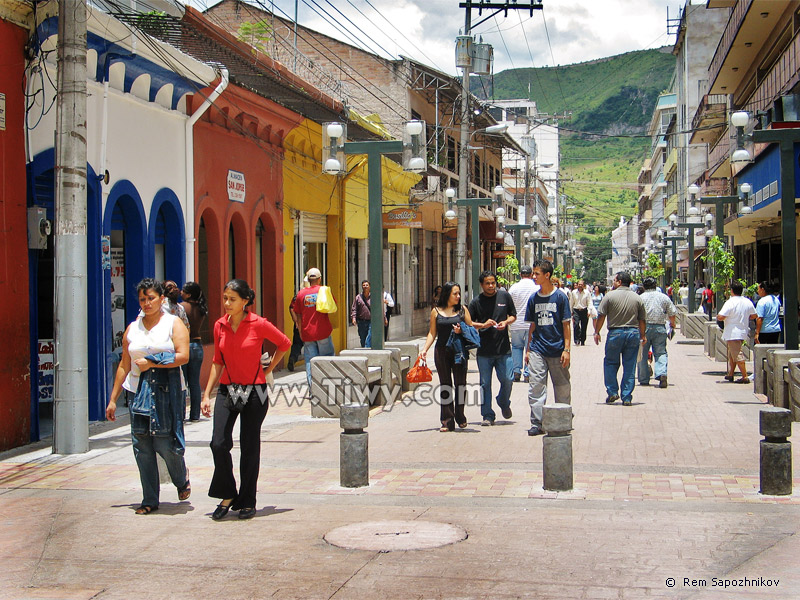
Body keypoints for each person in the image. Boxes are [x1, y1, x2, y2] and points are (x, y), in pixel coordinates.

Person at [201, 279, 291, 521]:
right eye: (225, 298)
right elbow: (217, 362)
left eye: (232, 299)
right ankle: (228, 494)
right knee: (218, 443)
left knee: (250, 448)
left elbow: (285, 343)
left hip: (255, 391)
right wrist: (206, 394)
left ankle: (248, 501)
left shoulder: (258, 324)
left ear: (245, 301)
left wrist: (269, 367)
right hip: (227, 390)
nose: (227, 303)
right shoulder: (220, 325)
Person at [106, 279, 191, 515]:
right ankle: (150, 499)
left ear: (161, 299)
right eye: (142, 299)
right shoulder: (133, 328)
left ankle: (181, 477)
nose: (146, 303)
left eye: (151, 298)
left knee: (166, 443)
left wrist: (153, 361)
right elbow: (125, 364)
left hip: (167, 390)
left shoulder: (173, 324)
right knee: (141, 446)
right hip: (138, 393)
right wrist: (113, 399)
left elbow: (183, 356)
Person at [419, 282, 475, 432]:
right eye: (455, 294)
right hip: (442, 351)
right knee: (445, 385)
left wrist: (461, 331)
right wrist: (424, 349)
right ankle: (447, 421)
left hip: (459, 352)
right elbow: (432, 332)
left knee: (460, 384)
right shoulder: (436, 311)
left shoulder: (463, 310)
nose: (458, 296)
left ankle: (460, 416)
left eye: (459, 293)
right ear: (447, 295)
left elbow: (471, 329)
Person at [525, 259, 571, 436]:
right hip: (538, 348)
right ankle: (538, 422)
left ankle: (562, 419)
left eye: (537, 274)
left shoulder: (560, 297)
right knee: (536, 386)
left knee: (562, 386)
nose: (534, 277)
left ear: (547, 275)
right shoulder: (533, 298)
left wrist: (567, 350)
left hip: (557, 349)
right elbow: (532, 326)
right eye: (533, 273)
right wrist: (528, 349)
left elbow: (566, 325)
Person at [468, 271, 517, 426]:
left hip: (503, 349)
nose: (491, 286)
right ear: (482, 285)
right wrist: (483, 325)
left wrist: (506, 322)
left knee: (508, 379)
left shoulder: (505, 297)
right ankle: (487, 415)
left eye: (493, 283)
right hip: (484, 351)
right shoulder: (476, 302)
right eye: (487, 283)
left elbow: (513, 315)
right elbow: (468, 322)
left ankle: (503, 401)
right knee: (484, 384)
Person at [594, 271, 646, 406]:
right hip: (633, 333)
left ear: (619, 282)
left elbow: (601, 316)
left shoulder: (609, 296)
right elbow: (642, 320)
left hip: (615, 333)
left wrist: (596, 332)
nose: (613, 282)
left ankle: (612, 392)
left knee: (610, 363)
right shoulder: (637, 298)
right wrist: (643, 335)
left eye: (614, 280)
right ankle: (627, 396)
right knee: (630, 365)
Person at [291, 268, 335, 387]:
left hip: (307, 333)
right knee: (327, 360)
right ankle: (328, 388)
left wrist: (300, 331)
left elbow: (298, 315)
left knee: (310, 363)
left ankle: (313, 390)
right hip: (323, 331)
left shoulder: (301, 294)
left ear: (308, 279)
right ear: (319, 278)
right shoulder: (324, 291)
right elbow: (333, 306)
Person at [637, 277, 677, 388]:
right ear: (655, 286)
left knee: (642, 353)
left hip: (644, 327)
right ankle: (662, 373)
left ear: (644, 287)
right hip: (660, 327)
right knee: (661, 352)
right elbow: (672, 312)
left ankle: (644, 378)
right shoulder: (664, 297)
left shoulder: (640, 298)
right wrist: (672, 324)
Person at [717, 280, 757, 384]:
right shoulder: (747, 301)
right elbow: (754, 315)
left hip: (732, 332)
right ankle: (731, 374)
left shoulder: (730, 302)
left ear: (732, 291)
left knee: (737, 354)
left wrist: (720, 317)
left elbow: (721, 316)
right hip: (742, 330)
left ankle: (745, 376)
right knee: (732, 354)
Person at [180, 281, 208, 421]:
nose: (181, 292)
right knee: (194, 383)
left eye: (183, 291)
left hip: (184, 346)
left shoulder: (182, 308)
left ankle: (181, 413)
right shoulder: (201, 308)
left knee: (181, 382)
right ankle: (195, 414)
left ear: (189, 294)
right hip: (197, 345)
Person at [508, 265, 539, 383]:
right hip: (531, 324)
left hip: (516, 323)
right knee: (529, 348)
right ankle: (527, 373)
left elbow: (509, 305)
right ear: (531, 274)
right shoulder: (536, 288)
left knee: (516, 347)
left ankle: (516, 371)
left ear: (520, 274)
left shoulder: (513, 288)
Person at [286, 278, 309, 372]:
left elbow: (291, 308)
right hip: (310, 324)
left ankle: (293, 358)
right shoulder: (312, 296)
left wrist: (296, 321)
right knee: (310, 344)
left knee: (297, 344)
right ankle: (310, 364)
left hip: (298, 324)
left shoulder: (297, 296)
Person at [350, 280, 373, 348]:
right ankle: (364, 350)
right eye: (364, 285)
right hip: (361, 322)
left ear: (370, 287)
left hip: (371, 321)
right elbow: (354, 308)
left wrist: (384, 318)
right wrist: (353, 318)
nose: (365, 286)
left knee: (368, 338)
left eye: (367, 285)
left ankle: (367, 351)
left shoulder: (373, 297)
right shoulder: (358, 297)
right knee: (363, 338)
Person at [569, 279, 592, 346]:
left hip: (584, 310)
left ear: (583, 285)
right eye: (579, 284)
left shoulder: (587, 293)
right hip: (576, 310)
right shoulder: (573, 292)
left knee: (584, 326)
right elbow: (571, 303)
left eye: (581, 285)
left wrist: (589, 310)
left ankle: (582, 340)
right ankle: (576, 340)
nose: (580, 286)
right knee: (576, 325)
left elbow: (589, 302)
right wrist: (571, 311)